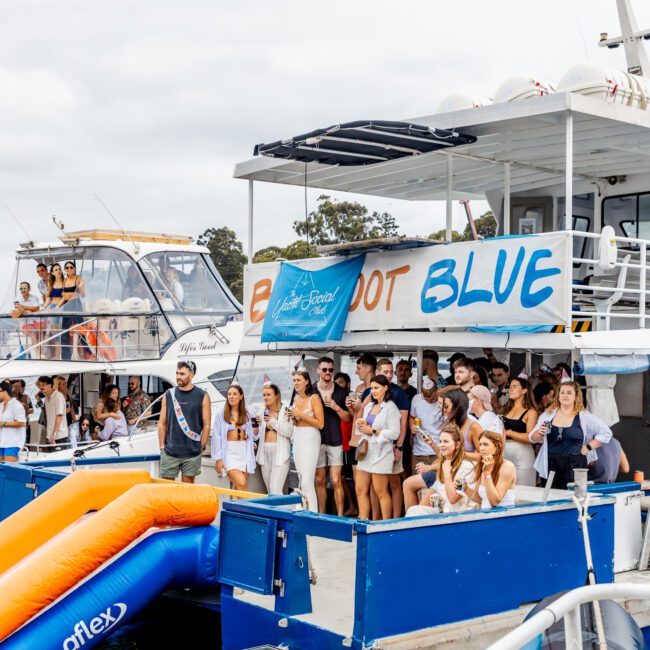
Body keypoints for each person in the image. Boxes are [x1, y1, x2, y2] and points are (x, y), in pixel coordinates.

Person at [530, 380, 613, 490]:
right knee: (550, 497)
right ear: (558, 396)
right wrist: (539, 432)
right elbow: (532, 438)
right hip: (551, 463)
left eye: (569, 393)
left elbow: (607, 433)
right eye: (562, 392)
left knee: (573, 497)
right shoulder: (548, 415)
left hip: (575, 464)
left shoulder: (584, 417)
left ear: (576, 396)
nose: (565, 395)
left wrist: (588, 447)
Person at [355, 374, 401, 520]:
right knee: (360, 489)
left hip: (381, 454)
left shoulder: (391, 408)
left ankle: (385, 524)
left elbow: (395, 433)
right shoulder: (369, 405)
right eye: (372, 388)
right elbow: (364, 426)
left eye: (376, 388)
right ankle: (363, 521)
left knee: (380, 491)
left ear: (385, 388)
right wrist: (360, 425)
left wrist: (373, 430)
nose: (373, 391)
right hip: (366, 451)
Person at [158, 360, 211, 483]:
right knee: (166, 490)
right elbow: (161, 423)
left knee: (187, 491)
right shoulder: (168, 394)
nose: (178, 377)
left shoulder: (202, 395)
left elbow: (207, 424)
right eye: (177, 373)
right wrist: (162, 446)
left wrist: (201, 446)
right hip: (170, 452)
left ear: (192, 375)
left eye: (182, 374)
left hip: (192, 454)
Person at [405, 425, 475, 516]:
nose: (442, 444)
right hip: (444, 513)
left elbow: (453, 499)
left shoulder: (466, 467)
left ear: (457, 445)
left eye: (446, 441)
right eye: (440, 441)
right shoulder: (445, 464)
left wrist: (446, 474)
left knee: (415, 512)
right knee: (413, 510)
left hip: (460, 516)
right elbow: (443, 497)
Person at [313, 357, 350, 516]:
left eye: (330, 370)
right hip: (317, 440)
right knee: (320, 479)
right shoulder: (312, 390)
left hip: (336, 440)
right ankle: (321, 514)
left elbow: (349, 418)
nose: (327, 372)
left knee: (336, 480)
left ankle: (340, 516)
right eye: (324, 369)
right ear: (318, 371)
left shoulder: (341, 392)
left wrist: (336, 407)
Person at [374, 358, 410, 518]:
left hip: (393, 445)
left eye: (390, 372)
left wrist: (399, 448)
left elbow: (402, 426)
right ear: (377, 372)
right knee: (375, 486)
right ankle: (374, 519)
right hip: (374, 448)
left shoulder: (399, 393)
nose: (389, 375)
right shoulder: (370, 392)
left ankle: (395, 518)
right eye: (385, 372)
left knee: (395, 483)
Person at [288, 368, 324, 513]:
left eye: (298, 380)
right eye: (294, 380)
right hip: (298, 436)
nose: (296, 383)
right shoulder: (296, 399)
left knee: (307, 479)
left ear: (307, 382)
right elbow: (298, 421)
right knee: (300, 476)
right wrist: (294, 418)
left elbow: (321, 423)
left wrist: (301, 414)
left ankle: (313, 512)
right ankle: (303, 509)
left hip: (311, 436)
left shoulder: (314, 398)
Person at [212, 383, 257, 492]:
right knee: (241, 483)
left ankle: (235, 508)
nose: (231, 396)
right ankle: (246, 508)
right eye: (229, 394)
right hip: (229, 453)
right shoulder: (221, 415)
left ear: (241, 396)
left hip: (244, 451)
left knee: (237, 488)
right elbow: (216, 437)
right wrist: (218, 459)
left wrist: (257, 426)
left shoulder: (248, 414)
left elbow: (254, 434)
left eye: (234, 394)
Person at [256, 383, 293, 495]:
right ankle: (274, 512)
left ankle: (283, 512)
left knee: (275, 490)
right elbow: (257, 434)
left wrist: (272, 422)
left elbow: (289, 432)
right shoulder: (261, 411)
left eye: (268, 394)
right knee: (269, 491)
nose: (265, 397)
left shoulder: (286, 410)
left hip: (280, 453)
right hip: (264, 452)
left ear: (276, 396)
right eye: (264, 395)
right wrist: (258, 426)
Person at [502, 377, 538, 487]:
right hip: (504, 453)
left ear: (524, 391)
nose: (510, 390)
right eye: (509, 387)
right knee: (505, 489)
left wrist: (509, 433)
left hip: (523, 454)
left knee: (524, 488)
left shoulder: (531, 412)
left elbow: (530, 438)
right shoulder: (505, 410)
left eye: (514, 387)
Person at [468, 430, 517, 508]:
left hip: (503, 516)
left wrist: (487, 473)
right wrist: (464, 488)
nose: (481, 448)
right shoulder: (482, 464)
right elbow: (480, 499)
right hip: (485, 515)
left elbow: (495, 502)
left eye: (485, 444)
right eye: (480, 444)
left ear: (497, 447)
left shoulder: (507, 467)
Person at [334, 371, 357, 516]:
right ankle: (352, 505)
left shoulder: (350, 399)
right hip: (339, 443)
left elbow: (351, 417)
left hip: (350, 443)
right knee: (341, 478)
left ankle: (357, 507)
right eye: (336, 384)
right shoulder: (334, 398)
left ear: (347, 384)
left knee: (354, 478)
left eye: (341, 383)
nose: (338, 386)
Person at [409, 376, 442, 473]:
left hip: (437, 450)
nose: (428, 401)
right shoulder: (416, 399)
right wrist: (412, 426)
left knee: (435, 484)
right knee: (415, 482)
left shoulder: (443, 401)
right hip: (419, 451)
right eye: (425, 399)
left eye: (432, 399)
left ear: (437, 391)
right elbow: (412, 417)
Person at [443, 387, 482, 462]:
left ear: (457, 407)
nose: (444, 410)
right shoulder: (448, 425)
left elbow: (484, 456)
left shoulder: (473, 426)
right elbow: (443, 456)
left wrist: (459, 454)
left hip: (467, 471)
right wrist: (431, 443)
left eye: (446, 406)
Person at [60, 261, 85, 360]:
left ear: (74, 269)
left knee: (80, 330)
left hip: (76, 305)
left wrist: (80, 287)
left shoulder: (78, 279)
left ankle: (84, 355)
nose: (69, 269)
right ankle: (66, 356)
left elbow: (83, 294)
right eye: (67, 267)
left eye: (71, 267)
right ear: (65, 269)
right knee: (65, 331)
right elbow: (62, 295)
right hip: (67, 306)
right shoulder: (64, 281)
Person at [0, 380, 27, 462]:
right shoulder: (1, 405)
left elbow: (22, 423)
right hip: (2, 441)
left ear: (4, 391)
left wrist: (4, 423)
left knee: (8, 470)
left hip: (13, 442)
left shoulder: (16, 404)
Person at [42, 263, 65, 359]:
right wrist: (43, 308)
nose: (58, 271)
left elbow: (66, 297)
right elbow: (48, 298)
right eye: (56, 270)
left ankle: (59, 356)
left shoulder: (65, 282)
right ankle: (56, 357)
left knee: (62, 333)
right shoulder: (50, 283)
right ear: (52, 272)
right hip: (53, 308)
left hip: (62, 308)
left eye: (59, 269)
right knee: (55, 334)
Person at [12, 282, 42, 354]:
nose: (23, 290)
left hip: (35, 323)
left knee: (43, 332)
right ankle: (39, 354)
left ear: (29, 289)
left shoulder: (34, 297)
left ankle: (42, 353)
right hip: (24, 324)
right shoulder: (17, 299)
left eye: (25, 288)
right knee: (33, 333)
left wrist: (23, 308)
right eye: (21, 288)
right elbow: (15, 313)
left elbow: (37, 308)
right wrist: (27, 310)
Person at [41, 375, 69, 448]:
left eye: (43, 385)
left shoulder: (58, 397)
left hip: (59, 436)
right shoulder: (47, 397)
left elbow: (59, 416)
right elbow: (37, 383)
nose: (41, 387)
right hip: (50, 435)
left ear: (50, 385)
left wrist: (54, 434)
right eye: (40, 385)